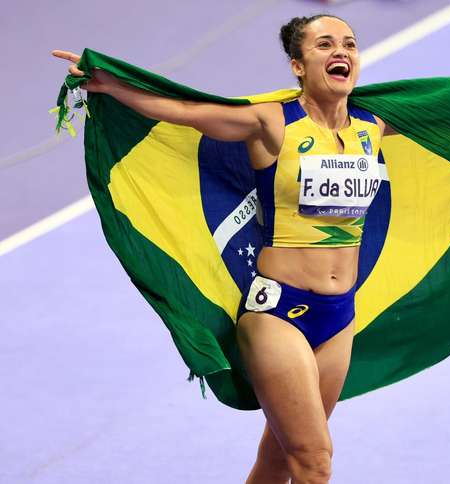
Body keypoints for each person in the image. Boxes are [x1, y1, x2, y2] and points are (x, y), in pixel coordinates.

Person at [55, 14, 388, 484]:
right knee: (315, 463)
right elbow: (184, 112)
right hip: (278, 316)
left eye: (349, 44)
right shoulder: (271, 123)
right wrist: (112, 84)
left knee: (277, 462)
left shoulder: (372, 129)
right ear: (297, 65)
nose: (341, 51)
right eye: (324, 44)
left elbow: (449, 113)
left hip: (339, 317)